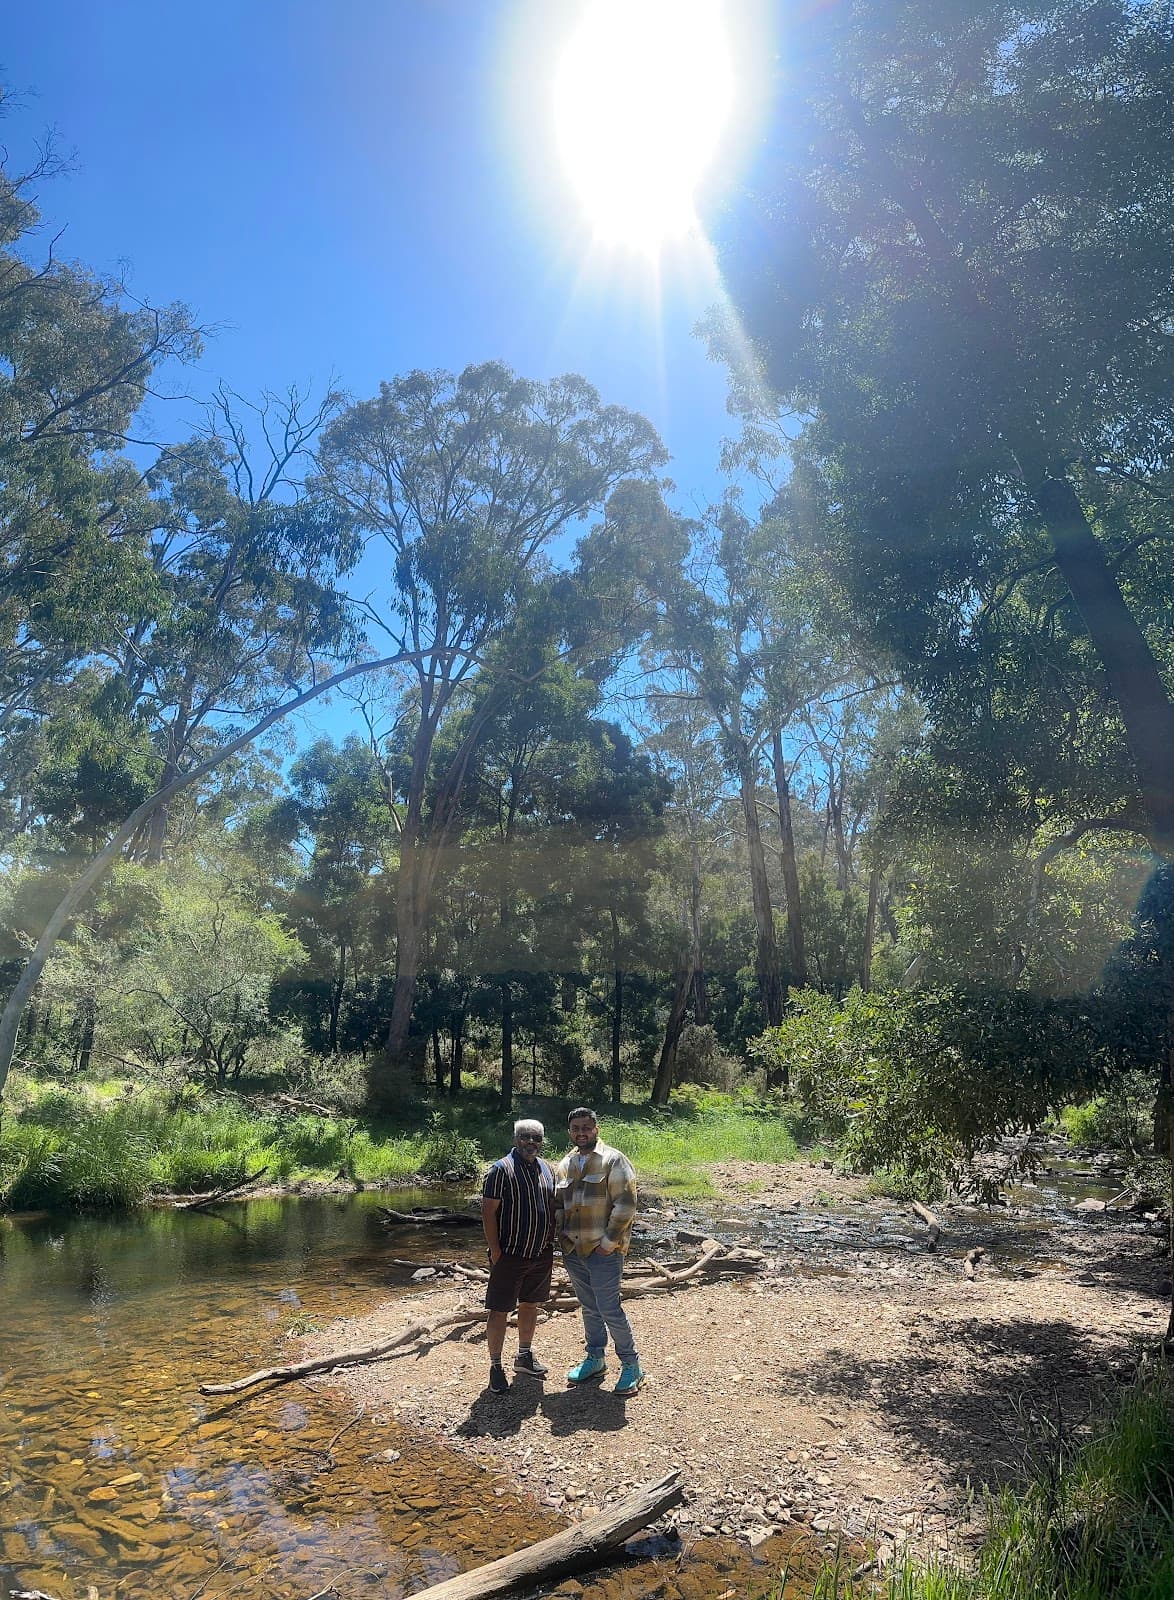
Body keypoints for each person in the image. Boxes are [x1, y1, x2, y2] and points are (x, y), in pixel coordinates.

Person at [554, 1106, 644, 1395]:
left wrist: (608, 1244)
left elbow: (626, 1205)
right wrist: (560, 1236)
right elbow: (559, 1205)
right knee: (589, 1308)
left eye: (586, 1127)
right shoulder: (566, 1163)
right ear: (570, 1132)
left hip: (603, 1250)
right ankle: (596, 1359)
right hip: (574, 1249)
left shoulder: (613, 1160)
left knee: (609, 1309)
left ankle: (632, 1365)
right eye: (576, 1128)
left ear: (596, 1129)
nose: (581, 1132)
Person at [480, 1117, 555, 1394]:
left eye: (536, 1137)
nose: (530, 1142)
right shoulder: (501, 1169)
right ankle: (495, 1366)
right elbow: (488, 1212)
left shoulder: (547, 1169)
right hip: (510, 1254)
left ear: (542, 1141)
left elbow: (551, 1207)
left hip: (540, 1253)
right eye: (525, 1137)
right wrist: (496, 1251)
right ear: (515, 1139)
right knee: (499, 1310)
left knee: (530, 1304)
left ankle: (524, 1355)